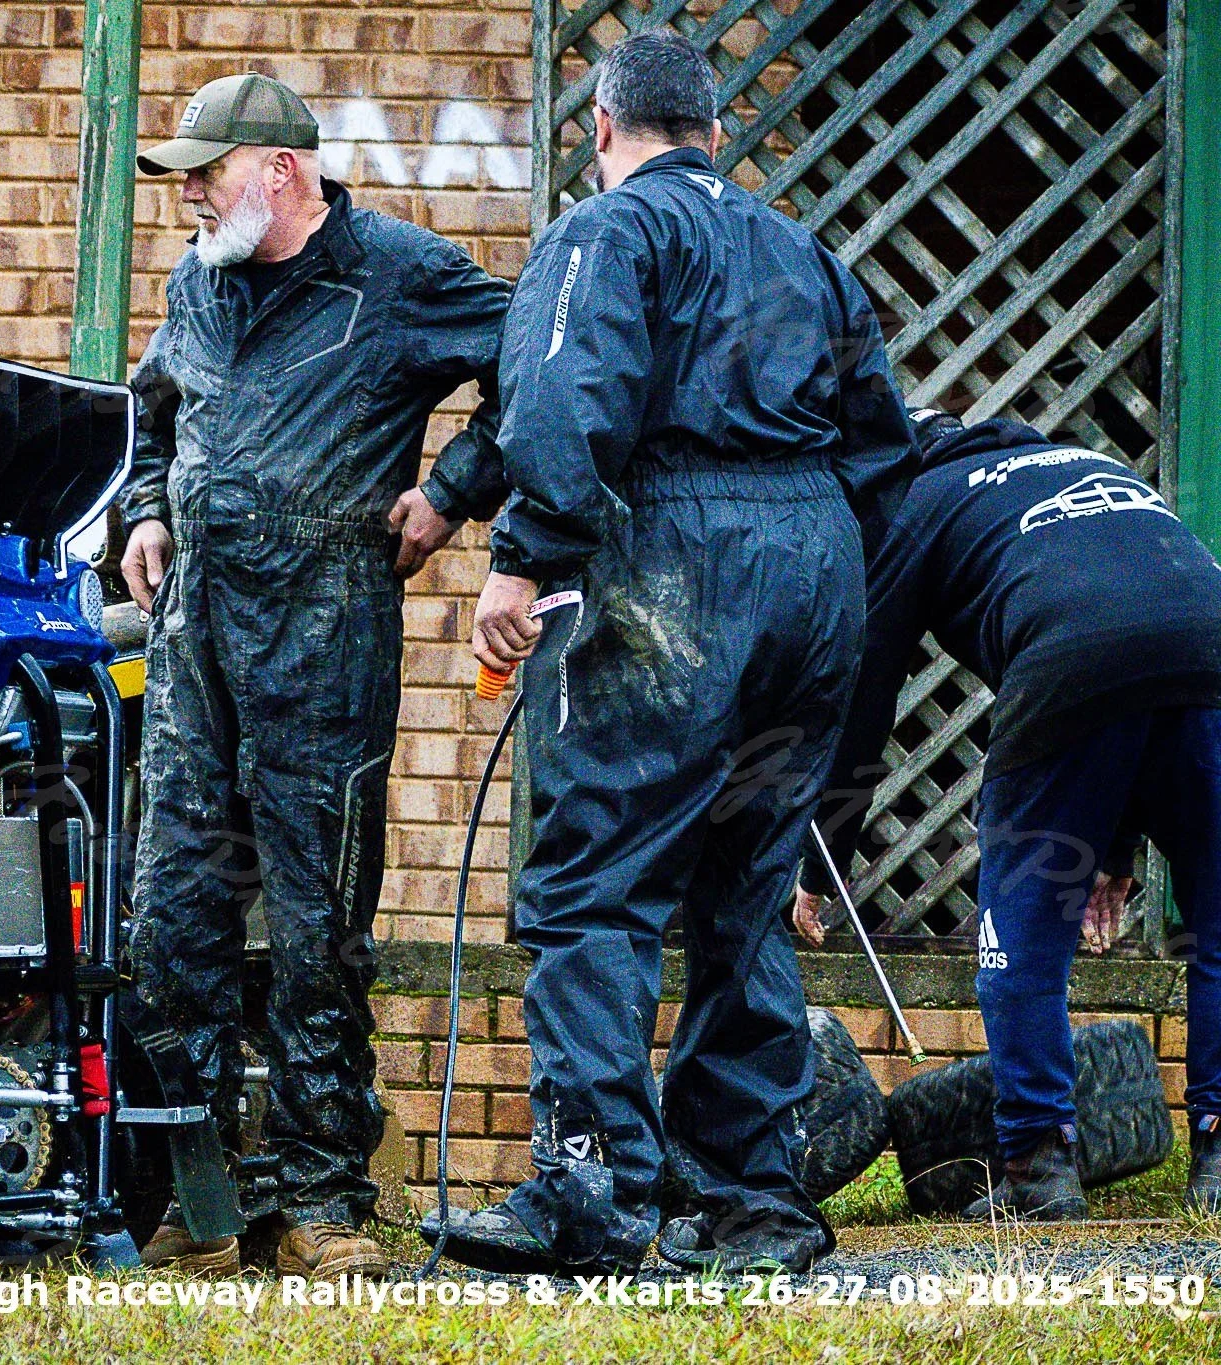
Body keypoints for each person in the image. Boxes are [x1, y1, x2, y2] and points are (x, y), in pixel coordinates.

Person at [424, 31, 914, 1275]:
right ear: (711, 127)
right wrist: (806, 554)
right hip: (815, 568)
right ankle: (749, 1204)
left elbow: (565, 402)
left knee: (594, 884)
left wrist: (524, 557)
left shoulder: (606, 236)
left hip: (669, 565)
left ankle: (590, 1199)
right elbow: (882, 437)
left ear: (600, 126)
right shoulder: (804, 251)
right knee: (744, 891)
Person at [119, 72, 511, 1280]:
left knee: (313, 924)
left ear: (278, 169)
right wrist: (145, 510)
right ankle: (199, 1197)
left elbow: (537, 371)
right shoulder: (197, 279)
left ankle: (324, 1196)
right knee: (170, 919)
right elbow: (148, 414)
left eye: (205, 168)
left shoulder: (395, 273)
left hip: (323, 627)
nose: (185, 191)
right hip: (194, 639)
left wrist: (448, 497)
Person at [793, 409, 1221, 1219]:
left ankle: (1036, 1168)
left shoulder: (913, 501)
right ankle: (1220, 1157)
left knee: (1020, 930)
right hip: (1209, 635)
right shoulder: (1084, 460)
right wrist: (1116, 847)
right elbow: (1138, 618)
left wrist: (821, 867)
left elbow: (863, 700)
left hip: (1068, 659)